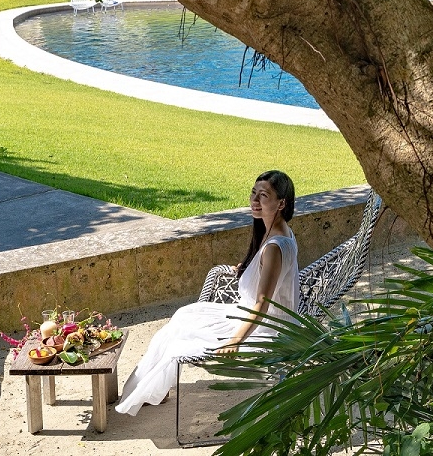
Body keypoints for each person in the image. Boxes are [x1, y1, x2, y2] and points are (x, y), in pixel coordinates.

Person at [115, 170, 300, 416]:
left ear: (281, 203)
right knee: (184, 316)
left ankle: (149, 391)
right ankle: (151, 390)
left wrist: (235, 341)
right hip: (252, 316)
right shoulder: (276, 232)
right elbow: (270, 276)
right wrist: (248, 269)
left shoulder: (274, 247)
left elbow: (262, 305)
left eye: (263, 196)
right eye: (253, 193)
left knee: (180, 335)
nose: (255, 201)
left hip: (265, 327)